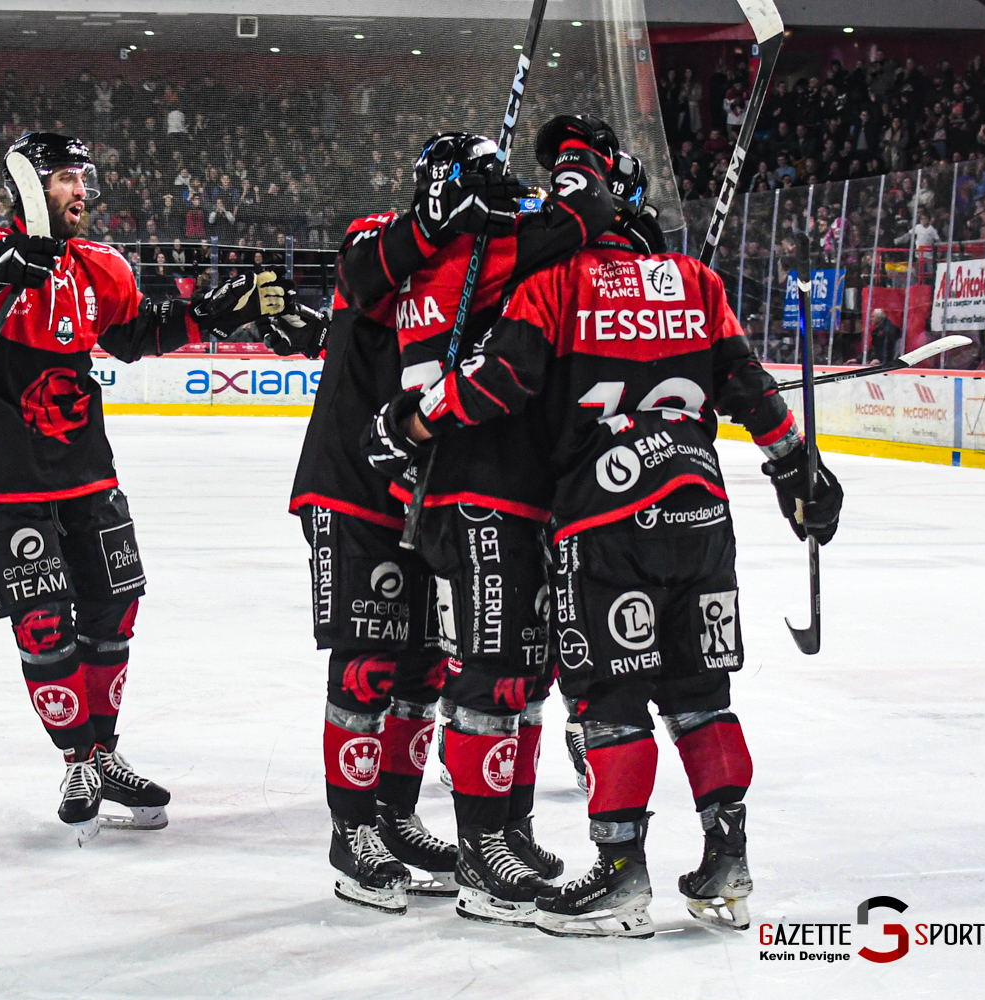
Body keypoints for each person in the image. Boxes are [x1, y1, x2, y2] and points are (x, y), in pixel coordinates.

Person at [377, 158, 844, 938]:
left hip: (604, 521)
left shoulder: (555, 284)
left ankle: (622, 873)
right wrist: (799, 466)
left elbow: (498, 384)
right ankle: (728, 856)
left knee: (608, 697)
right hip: (702, 512)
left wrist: (413, 420)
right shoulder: (695, 280)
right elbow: (750, 387)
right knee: (702, 694)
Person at [0, 133, 289, 842]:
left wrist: (217, 312)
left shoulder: (101, 264)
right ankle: (78, 758)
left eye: (85, 177)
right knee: (43, 623)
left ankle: (102, 753)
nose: (83, 191)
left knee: (115, 610)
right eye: (67, 178)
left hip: (86, 473)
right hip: (3, 480)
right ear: (29, 185)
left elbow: (140, 335)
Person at [358, 118, 619, 925]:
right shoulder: (481, 253)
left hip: (485, 486)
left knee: (521, 669)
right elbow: (587, 214)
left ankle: (505, 829)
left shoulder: (450, 253)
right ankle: (481, 853)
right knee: (494, 670)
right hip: (480, 488)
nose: (511, 193)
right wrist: (577, 160)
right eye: (492, 180)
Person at [284, 135, 525, 915]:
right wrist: (437, 216)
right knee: (367, 663)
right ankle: (349, 829)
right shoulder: (380, 236)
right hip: (352, 488)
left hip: (422, 495)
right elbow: (362, 270)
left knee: (422, 667)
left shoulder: (478, 268)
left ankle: (393, 811)